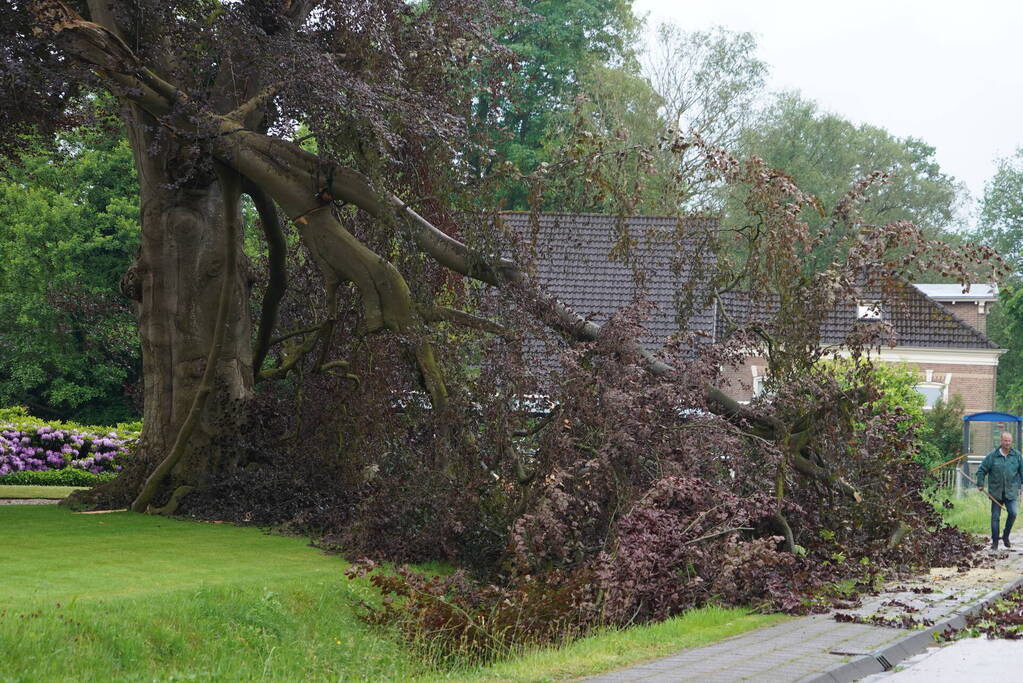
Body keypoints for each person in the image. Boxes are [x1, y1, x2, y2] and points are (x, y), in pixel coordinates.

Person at [976, 431, 1023, 549]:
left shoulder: (1017, 456)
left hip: (1011, 492)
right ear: (1001, 441)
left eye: (1009, 441)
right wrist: (980, 483)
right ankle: (995, 542)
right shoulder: (992, 456)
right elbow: (982, 470)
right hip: (996, 493)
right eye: (1005, 440)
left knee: (1013, 513)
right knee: (995, 517)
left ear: (1011, 442)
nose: (1007, 443)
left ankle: (1006, 536)